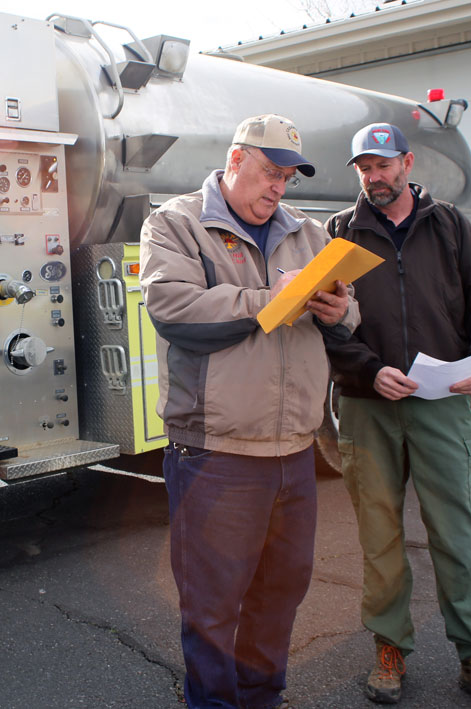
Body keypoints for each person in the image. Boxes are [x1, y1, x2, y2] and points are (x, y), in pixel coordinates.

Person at [139, 114, 358, 709]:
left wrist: (341, 312)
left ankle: (263, 697)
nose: (277, 188)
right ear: (235, 160)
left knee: (281, 591)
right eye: (268, 172)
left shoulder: (309, 234)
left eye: (287, 177)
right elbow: (173, 307)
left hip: (294, 450)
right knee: (213, 604)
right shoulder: (177, 223)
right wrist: (280, 300)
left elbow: (350, 312)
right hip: (216, 452)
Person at [325, 123, 471, 708]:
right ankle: (390, 647)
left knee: (458, 535)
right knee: (379, 536)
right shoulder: (340, 233)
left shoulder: (452, 227)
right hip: (369, 408)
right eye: (364, 168)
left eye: (383, 165)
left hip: (442, 402)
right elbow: (325, 320)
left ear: (408, 163)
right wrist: (365, 370)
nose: (374, 177)